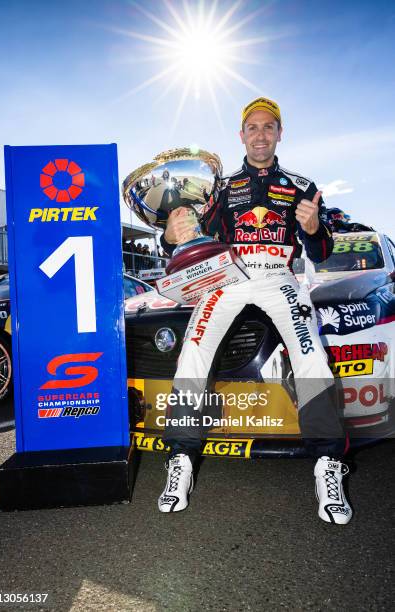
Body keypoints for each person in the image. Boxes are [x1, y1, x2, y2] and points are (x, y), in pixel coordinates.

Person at [158, 97, 352, 524]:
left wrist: (314, 228)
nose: (260, 134)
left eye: (269, 127)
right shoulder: (220, 188)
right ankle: (181, 460)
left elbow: (321, 250)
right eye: (252, 128)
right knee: (194, 348)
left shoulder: (302, 186)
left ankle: (327, 466)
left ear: (280, 133)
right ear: (241, 135)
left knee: (311, 354)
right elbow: (186, 239)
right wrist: (170, 237)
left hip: (279, 279)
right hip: (228, 277)